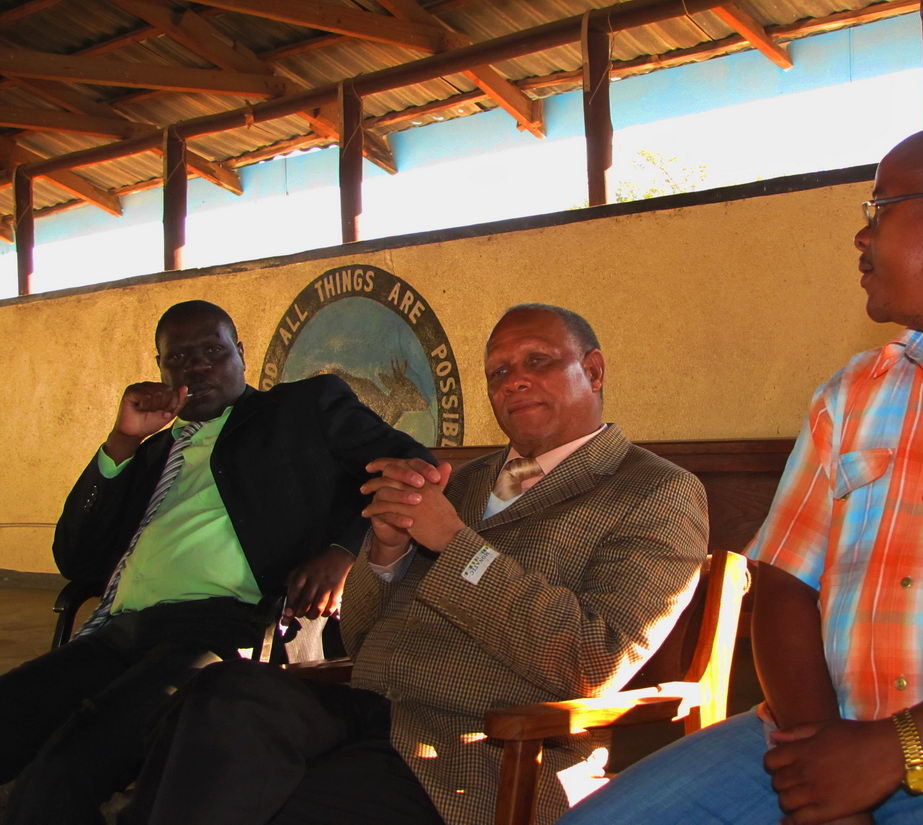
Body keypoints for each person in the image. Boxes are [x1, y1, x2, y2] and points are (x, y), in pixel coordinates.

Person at [559, 123, 923, 825]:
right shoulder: (853, 392)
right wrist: (821, 759)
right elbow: (785, 581)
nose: (861, 236)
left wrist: (892, 749)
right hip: (812, 733)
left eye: (880, 209)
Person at [117, 303, 709, 825]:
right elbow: (363, 638)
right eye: (498, 372)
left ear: (594, 371)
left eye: (538, 361)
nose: (515, 381)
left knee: (250, 796)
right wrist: (386, 555)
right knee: (221, 695)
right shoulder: (466, 481)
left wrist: (454, 544)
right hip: (375, 711)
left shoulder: (653, 492)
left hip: (477, 749)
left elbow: (594, 659)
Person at [0, 299, 433, 825]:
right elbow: (77, 558)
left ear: (240, 353)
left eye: (212, 351)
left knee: (63, 769)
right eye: (178, 358)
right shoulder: (152, 454)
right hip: (116, 635)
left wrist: (346, 552)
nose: (197, 367)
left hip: (223, 632)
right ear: (160, 369)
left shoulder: (301, 409)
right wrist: (123, 441)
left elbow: (413, 466)